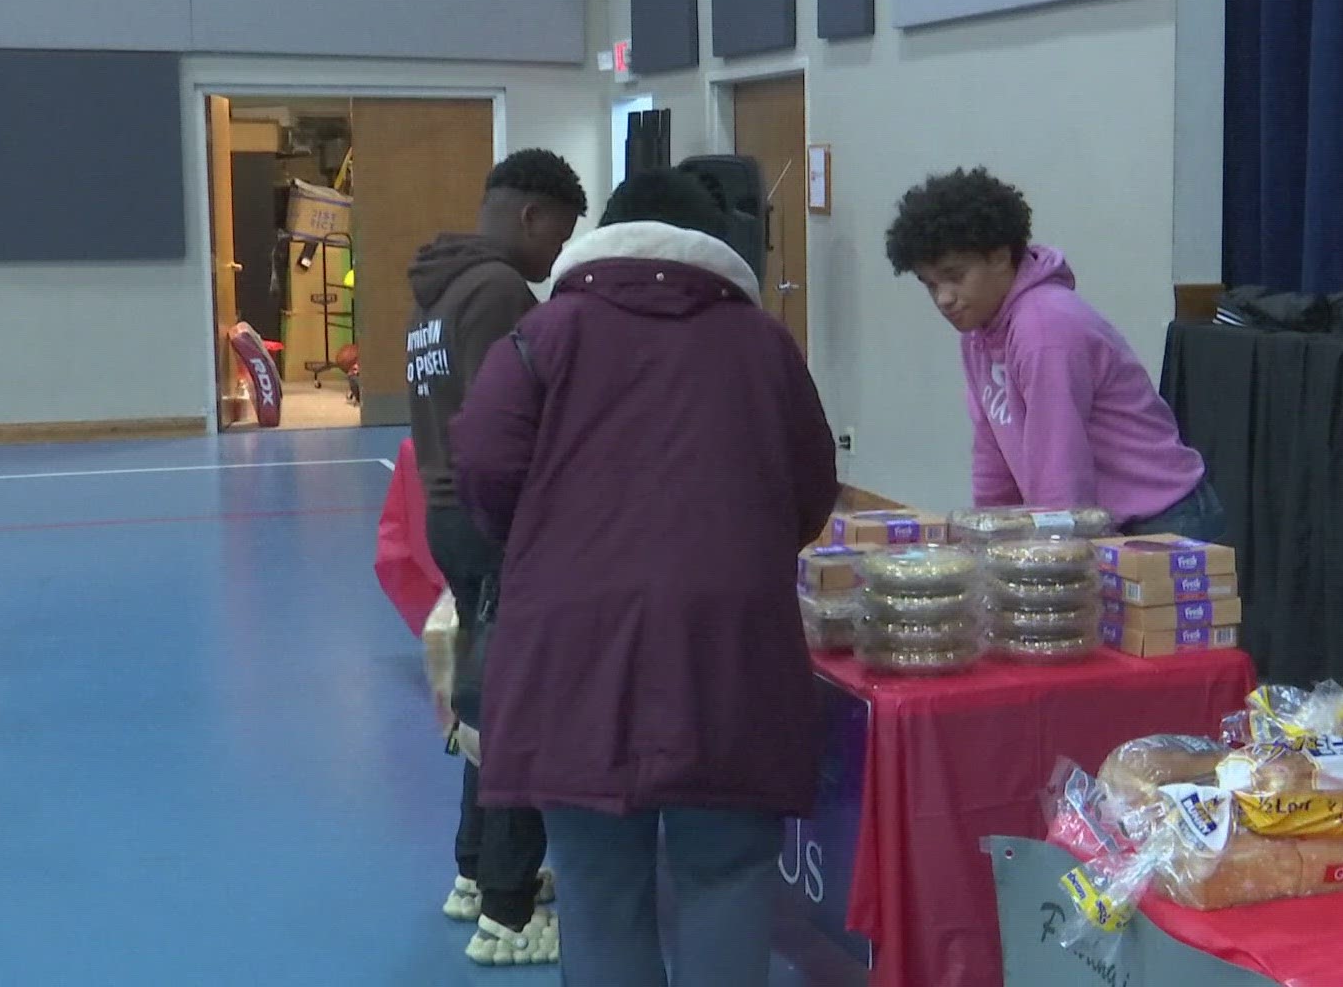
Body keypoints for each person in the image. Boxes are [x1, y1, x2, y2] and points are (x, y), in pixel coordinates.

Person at [450, 168, 838, 987]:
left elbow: (482, 467)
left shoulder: (543, 335)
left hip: (571, 645)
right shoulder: (764, 342)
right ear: (716, 247)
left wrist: (551, 546)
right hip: (730, 646)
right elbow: (810, 492)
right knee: (727, 872)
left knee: (598, 888)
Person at [405, 147, 588, 965]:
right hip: (492, 519)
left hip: (444, 515)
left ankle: (477, 872)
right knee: (522, 708)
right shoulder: (504, 293)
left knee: (485, 702)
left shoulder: (439, 294)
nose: (558, 256)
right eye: (560, 234)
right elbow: (506, 427)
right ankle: (510, 914)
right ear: (530, 217)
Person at [885, 166, 1227, 541]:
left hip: (1162, 520)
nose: (943, 298)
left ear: (1000, 257)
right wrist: (987, 540)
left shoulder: (1045, 326)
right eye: (930, 284)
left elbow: (1059, 467)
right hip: (1093, 519)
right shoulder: (978, 334)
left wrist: (1052, 565)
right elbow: (992, 455)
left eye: (955, 276)